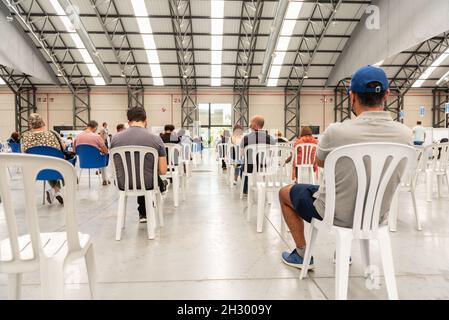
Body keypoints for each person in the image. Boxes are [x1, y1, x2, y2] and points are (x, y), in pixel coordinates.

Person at [279, 65, 413, 269]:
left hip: (334, 215)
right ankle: (342, 252)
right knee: (357, 190)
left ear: (352, 96)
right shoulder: (405, 134)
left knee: (284, 193)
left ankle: (301, 253)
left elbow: (321, 163)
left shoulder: (337, 132)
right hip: (375, 216)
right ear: (386, 94)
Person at [111, 107, 168, 223]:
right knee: (146, 175)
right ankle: (158, 192)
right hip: (148, 183)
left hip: (122, 183)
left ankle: (142, 213)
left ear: (128, 121)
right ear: (146, 120)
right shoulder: (156, 139)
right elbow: (163, 171)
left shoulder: (115, 139)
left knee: (139, 173)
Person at [21, 113, 66, 205]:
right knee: (62, 164)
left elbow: (24, 153)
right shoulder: (53, 133)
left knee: (45, 162)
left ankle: (56, 191)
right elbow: (63, 148)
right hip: (55, 168)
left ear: (30, 124)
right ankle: (55, 190)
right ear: (43, 122)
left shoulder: (25, 136)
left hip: (35, 170)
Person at [240, 115, 275, 194]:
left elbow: (242, 154)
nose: (250, 125)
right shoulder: (270, 138)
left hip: (249, 167)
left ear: (255, 125)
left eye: (251, 123)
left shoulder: (246, 138)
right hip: (264, 166)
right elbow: (272, 153)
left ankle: (246, 190)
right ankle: (264, 187)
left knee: (242, 167)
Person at [74, 120, 110, 185]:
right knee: (104, 155)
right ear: (95, 127)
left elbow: (75, 151)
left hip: (83, 162)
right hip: (97, 162)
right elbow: (106, 151)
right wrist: (98, 150)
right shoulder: (97, 137)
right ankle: (105, 179)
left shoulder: (77, 136)